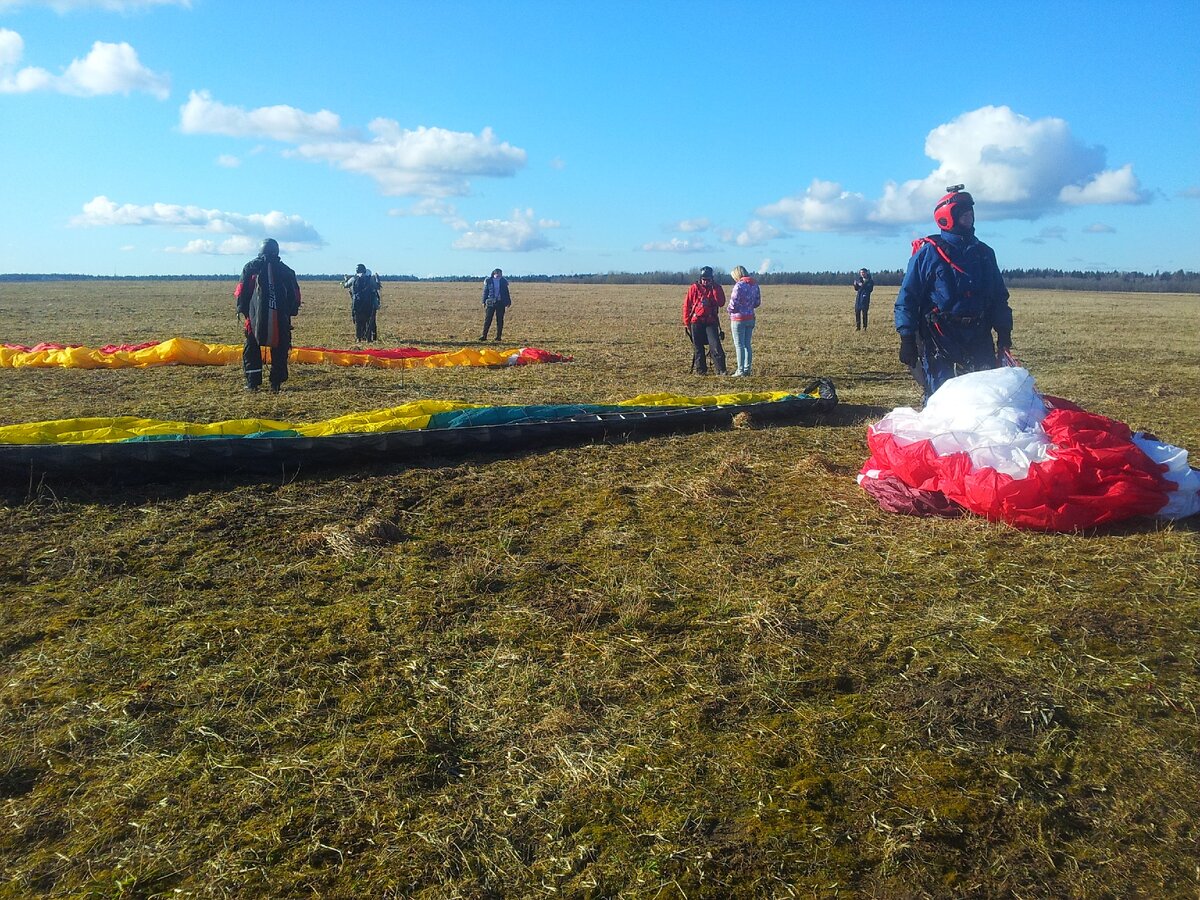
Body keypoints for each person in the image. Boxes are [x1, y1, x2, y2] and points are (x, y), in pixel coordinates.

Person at [894, 185, 1013, 402]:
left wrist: (1004, 332)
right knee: (941, 397)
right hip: (941, 337)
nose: (969, 217)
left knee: (983, 396)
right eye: (963, 214)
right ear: (947, 218)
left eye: (970, 213)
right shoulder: (928, 254)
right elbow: (908, 298)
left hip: (978, 334)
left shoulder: (984, 254)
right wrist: (907, 338)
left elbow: (998, 297)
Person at [234, 238, 301, 392]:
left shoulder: (250, 268)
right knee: (280, 349)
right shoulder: (286, 271)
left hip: (254, 319)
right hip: (280, 319)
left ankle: (253, 383)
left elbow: (241, 292)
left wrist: (243, 311)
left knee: (251, 348)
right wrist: (290, 312)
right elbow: (295, 296)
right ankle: (275, 383)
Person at [682, 265, 727, 375]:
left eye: (708, 280)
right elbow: (687, 305)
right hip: (696, 322)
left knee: (715, 346)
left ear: (712, 279)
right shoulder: (694, 288)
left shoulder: (717, 288)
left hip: (711, 322)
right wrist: (687, 322)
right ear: (700, 278)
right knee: (698, 348)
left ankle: (721, 370)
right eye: (704, 280)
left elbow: (721, 303)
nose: (706, 282)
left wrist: (714, 289)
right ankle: (701, 371)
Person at [727, 265, 761, 377]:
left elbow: (733, 302)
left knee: (739, 345)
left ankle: (740, 370)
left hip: (738, 318)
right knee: (747, 344)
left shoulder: (739, 285)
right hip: (750, 317)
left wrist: (730, 310)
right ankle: (747, 369)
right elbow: (757, 302)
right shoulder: (755, 284)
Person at [343, 264, 381, 342]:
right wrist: (377, 279)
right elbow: (377, 287)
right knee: (369, 320)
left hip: (356, 303)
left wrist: (346, 279)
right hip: (368, 304)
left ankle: (358, 338)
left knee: (358, 321)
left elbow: (345, 285)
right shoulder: (370, 279)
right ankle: (369, 338)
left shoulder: (353, 278)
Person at [480, 267, 511, 341]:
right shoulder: (489, 281)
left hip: (501, 302)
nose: (499, 274)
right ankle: (484, 336)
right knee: (488, 319)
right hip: (491, 302)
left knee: (500, 319)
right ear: (494, 273)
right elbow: (485, 292)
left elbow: (506, 292)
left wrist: (508, 301)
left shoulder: (503, 281)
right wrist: (483, 301)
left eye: (500, 273)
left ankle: (498, 336)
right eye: (498, 273)